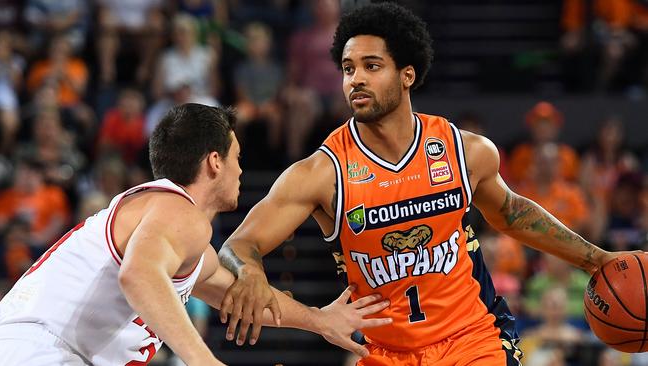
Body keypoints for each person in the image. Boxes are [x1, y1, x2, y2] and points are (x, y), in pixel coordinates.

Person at [218, 3, 635, 365]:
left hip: (475, 339)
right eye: (348, 69)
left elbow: (511, 212)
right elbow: (238, 245)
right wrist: (250, 271)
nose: (355, 79)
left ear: (407, 75)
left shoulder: (463, 151)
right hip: (386, 353)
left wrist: (595, 259)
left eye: (371, 66)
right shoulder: (322, 173)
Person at [0, 103, 392, 365]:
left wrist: (319, 319)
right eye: (238, 158)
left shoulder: (186, 241)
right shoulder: (178, 211)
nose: (241, 170)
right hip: (37, 349)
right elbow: (138, 275)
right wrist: (204, 361)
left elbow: (236, 296)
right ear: (215, 162)